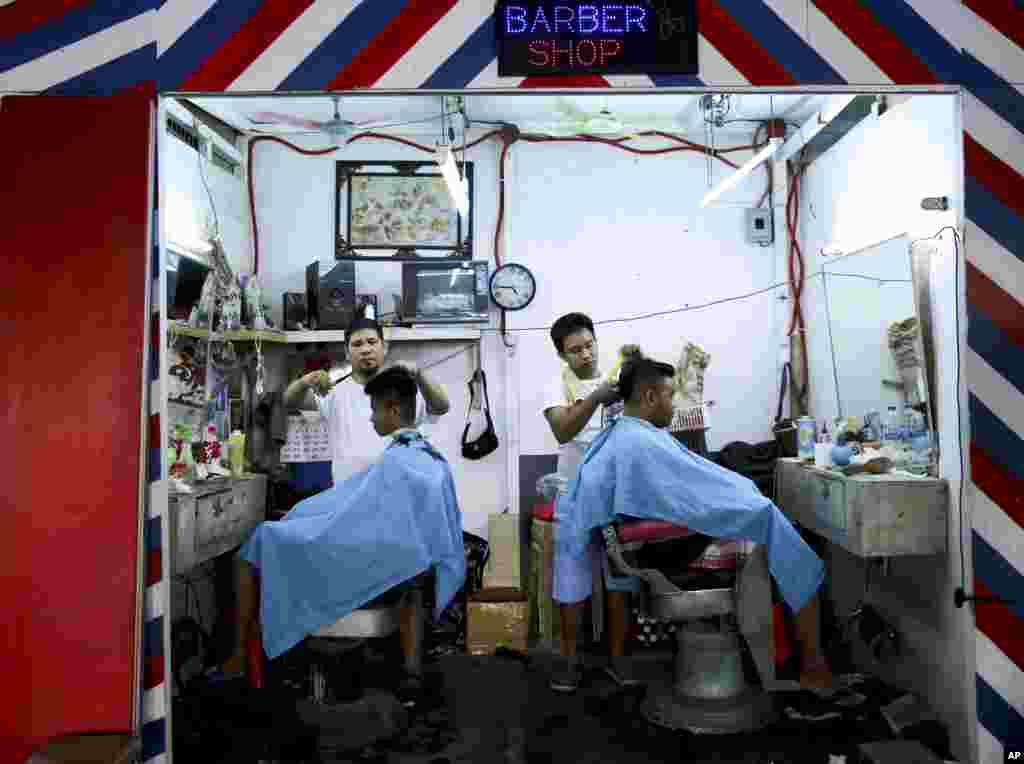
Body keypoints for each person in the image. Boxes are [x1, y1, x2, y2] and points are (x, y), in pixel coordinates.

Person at [556, 356, 834, 692]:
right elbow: (690, 499)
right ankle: (814, 666)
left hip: (644, 550)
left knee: (769, 520)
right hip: (667, 553)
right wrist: (751, 505)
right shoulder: (639, 442)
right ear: (649, 397)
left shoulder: (623, 436)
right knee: (787, 539)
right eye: (670, 395)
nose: (673, 405)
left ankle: (793, 659)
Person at [220, 367, 465, 703]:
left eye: (375, 410)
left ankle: (240, 656)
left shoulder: (401, 462)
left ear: (393, 410)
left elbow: (351, 515)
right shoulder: (425, 458)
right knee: (280, 533)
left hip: (373, 560)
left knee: (259, 543)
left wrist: (302, 517)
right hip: (401, 561)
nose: (371, 419)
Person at [542, 312, 642, 692]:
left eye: (589, 345)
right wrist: (595, 398)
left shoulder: (617, 379)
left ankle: (619, 660)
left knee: (620, 580)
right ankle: (568, 662)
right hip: (575, 497)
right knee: (571, 579)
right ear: (562, 355)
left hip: (617, 497)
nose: (585, 354)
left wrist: (633, 373)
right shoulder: (555, 384)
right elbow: (563, 428)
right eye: (574, 350)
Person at [283, 317, 451, 486]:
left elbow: (442, 406)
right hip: (349, 493)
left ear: (384, 347)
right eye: (357, 344)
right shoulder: (334, 392)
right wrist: (304, 381)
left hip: (396, 489)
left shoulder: (404, 386)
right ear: (347, 352)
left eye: (372, 342)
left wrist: (420, 374)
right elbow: (290, 401)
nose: (365, 349)